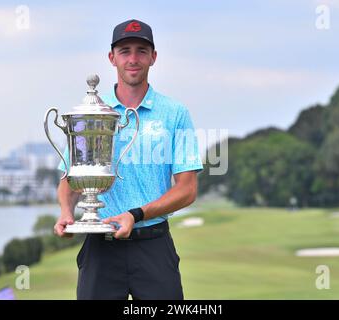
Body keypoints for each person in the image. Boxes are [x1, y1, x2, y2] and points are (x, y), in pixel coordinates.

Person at [54, 19, 203, 300]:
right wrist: (65, 212)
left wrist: (136, 215)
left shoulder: (175, 113)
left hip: (154, 245)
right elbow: (70, 177)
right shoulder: (93, 111)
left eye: (141, 51)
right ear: (112, 58)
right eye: (125, 51)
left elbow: (187, 189)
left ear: (153, 57)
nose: (133, 59)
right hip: (101, 248)